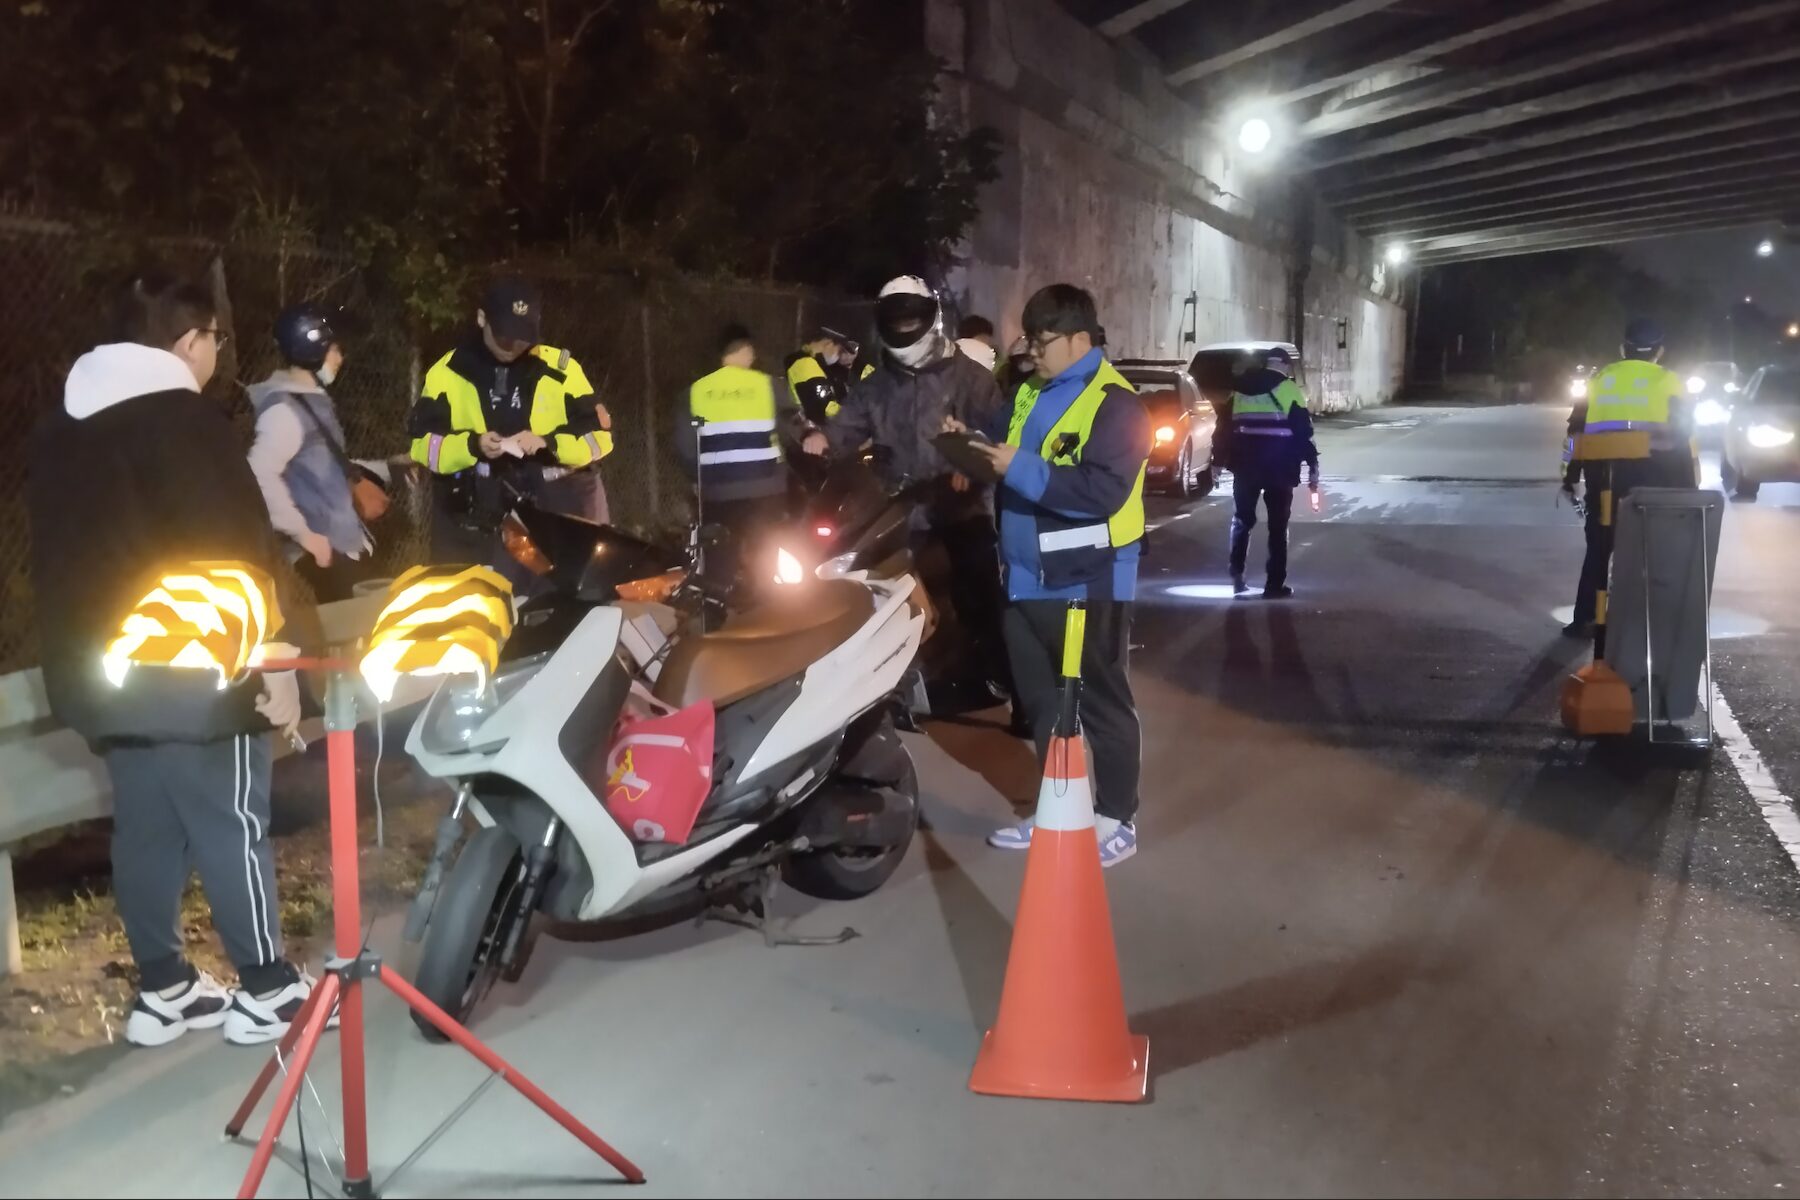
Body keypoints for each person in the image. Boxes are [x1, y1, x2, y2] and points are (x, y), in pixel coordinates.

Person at [28, 271, 325, 1047]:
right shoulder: (186, 422)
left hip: (104, 670)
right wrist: (275, 654)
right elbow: (233, 550)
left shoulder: (59, 429)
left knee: (147, 827)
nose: (215, 354)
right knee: (232, 820)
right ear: (191, 340)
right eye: (215, 340)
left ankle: (165, 990)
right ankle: (269, 989)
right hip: (198, 663)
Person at [957, 284, 1150, 868]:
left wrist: (1017, 466)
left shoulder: (1117, 405)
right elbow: (1003, 448)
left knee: (1101, 703)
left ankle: (1116, 818)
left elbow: (1102, 492)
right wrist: (970, 448)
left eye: (1042, 342)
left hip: (1088, 579)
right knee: (1042, 704)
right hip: (1023, 576)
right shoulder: (1027, 392)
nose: (1032, 352)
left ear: (1078, 340)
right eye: (1029, 341)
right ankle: (1061, 811)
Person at [801, 276, 1014, 710]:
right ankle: (889, 686)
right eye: (895, 321)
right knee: (870, 591)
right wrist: (817, 439)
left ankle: (1007, 682)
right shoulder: (876, 384)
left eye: (910, 320)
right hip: (897, 510)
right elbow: (844, 428)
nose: (903, 327)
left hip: (961, 508)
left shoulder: (971, 379)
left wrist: (970, 466)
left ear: (930, 319)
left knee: (981, 594)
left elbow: (1000, 436)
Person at [408, 277, 612, 579]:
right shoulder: (448, 373)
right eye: (505, 336)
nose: (514, 346)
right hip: (475, 523)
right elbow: (423, 444)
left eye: (524, 337)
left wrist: (550, 443)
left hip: (555, 517)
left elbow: (600, 438)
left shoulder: (561, 369)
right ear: (482, 319)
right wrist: (473, 446)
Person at [1561, 317, 1697, 638]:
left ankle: (1586, 618)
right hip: (1654, 482)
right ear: (1659, 351)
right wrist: (1689, 489)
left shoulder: (1600, 379)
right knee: (1653, 552)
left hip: (1604, 479)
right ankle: (1646, 623)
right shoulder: (1670, 382)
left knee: (1599, 549)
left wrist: (1569, 476)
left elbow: (1575, 432)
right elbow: (1684, 436)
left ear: (1624, 348)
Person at [246, 304, 384, 603]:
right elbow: (259, 474)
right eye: (333, 350)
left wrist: (390, 467)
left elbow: (322, 465)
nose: (340, 358)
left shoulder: (310, 401)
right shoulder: (285, 410)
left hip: (340, 547)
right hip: (323, 555)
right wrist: (303, 534)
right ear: (310, 350)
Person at [676, 323, 806, 586]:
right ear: (746, 350)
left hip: (717, 493)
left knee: (719, 561)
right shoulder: (768, 385)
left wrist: (697, 480)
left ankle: (718, 602)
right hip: (765, 491)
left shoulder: (695, 391)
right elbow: (792, 428)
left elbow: (685, 446)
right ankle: (765, 603)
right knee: (765, 563)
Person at [1216, 347, 1319, 598]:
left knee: (1242, 520)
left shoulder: (1240, 390)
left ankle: (1237, 574)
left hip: (1245, 466)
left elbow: (1223, 428)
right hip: (1279, 468)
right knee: (1277, 526)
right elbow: (1303, 432)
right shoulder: (1288, 389)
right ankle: (1274, 585)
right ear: (1284, 365)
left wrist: (1217, 461)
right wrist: (1312, 464)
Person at [785, 328, 858, 425]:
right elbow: (825, 407)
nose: (838, 357)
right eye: (839, 351)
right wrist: (856, 419)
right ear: (828, 344)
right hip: (817, 428)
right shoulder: (805, 363)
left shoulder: (815, 363)